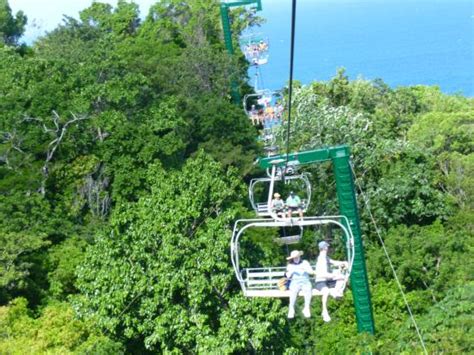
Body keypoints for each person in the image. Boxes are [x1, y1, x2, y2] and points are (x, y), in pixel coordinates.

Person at [314, 241, 349, 322]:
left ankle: (336, 292)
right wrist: (334, 275)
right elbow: (323, 274)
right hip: (320, 281)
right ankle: (324, 311)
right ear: (324, 248)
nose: (328, 248)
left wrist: (343, 262)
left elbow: (334, 262)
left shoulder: (326, 257)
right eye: (327, 247)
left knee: (342, 278)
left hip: (327, 280)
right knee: (326, 291)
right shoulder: (321, 259)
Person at [286, 250, 315, 319]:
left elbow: (311, 272)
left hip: (305, 281)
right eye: (294, 257)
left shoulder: (305, 262)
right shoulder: (290, 265)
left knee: (308, 289)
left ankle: (306, 308)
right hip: (295, 281)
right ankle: (291, 308)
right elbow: (287, 276)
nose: (296, 258)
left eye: (297, 257)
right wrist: (291, 271)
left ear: (299, 256)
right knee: (293, 291)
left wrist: (305, 269)